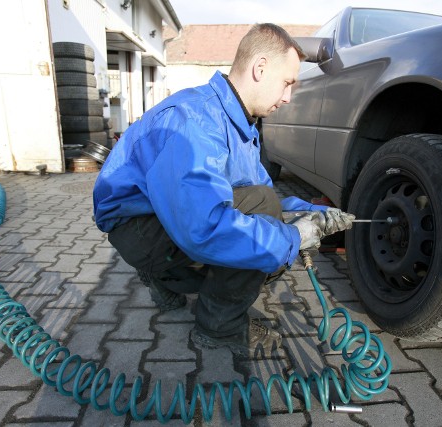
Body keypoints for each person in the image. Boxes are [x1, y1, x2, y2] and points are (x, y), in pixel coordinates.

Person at [93, 23, 354, 357]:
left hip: (155, 217)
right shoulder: (196, 121)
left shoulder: (237, 122)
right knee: (264, 231)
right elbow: (206, 227)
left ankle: (165, 277)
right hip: (137, 226)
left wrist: (315, 214)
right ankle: (218, 327)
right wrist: (292, 238)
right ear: (260, 68)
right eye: (287, 82)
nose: (289, 97)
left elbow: (254, 192)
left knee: (264, 212)